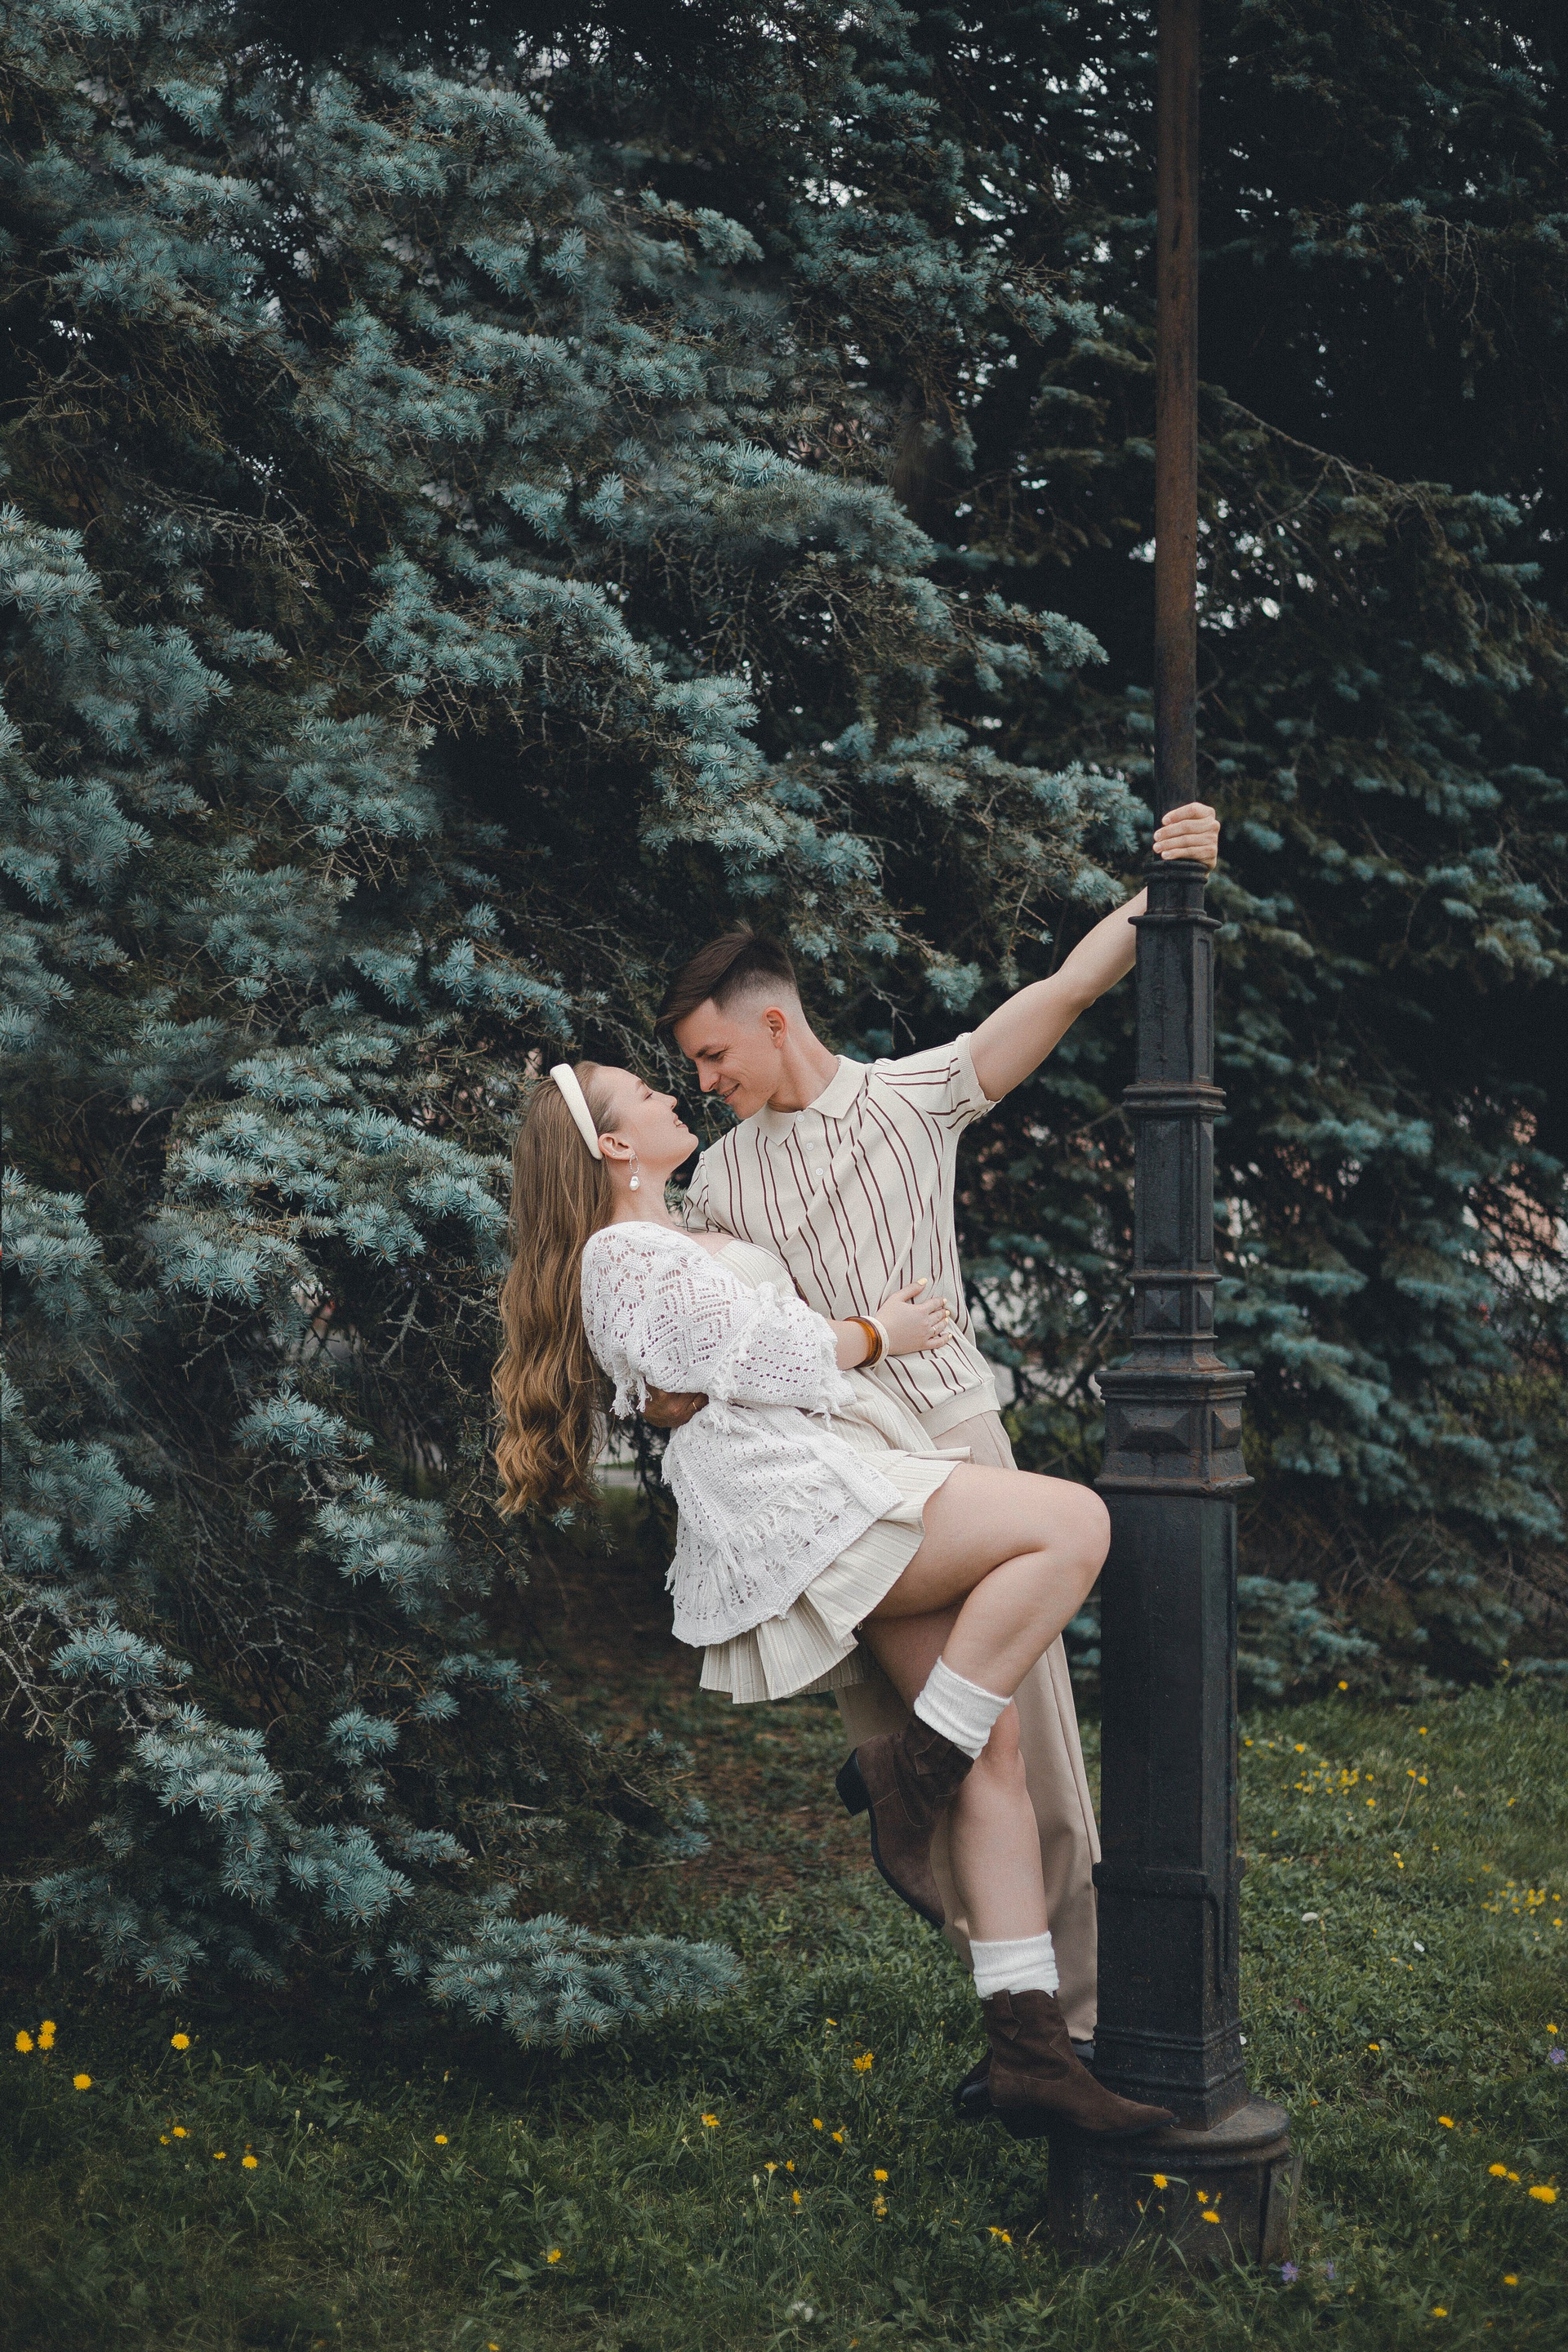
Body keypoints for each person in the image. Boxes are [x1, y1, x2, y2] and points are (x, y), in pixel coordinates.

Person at [648, 799, 1222, 2094]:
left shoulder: (915, 1097)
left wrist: (1162, 886)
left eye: (713, 1054)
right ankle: (1013, 2005)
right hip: (841, 1471)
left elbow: (1064, 990)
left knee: (1027, 1738)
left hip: (956, 1442)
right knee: (914, 1748)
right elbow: (704, 1332)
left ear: (773, 1019)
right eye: (692, 1067)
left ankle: (1076, 2019)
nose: (706, 1082)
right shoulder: (720, 1181)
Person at [494, 1058, 1175, 2140]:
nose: (673, 1094)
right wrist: (875, 1335)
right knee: (1072, 1524)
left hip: (836, 1476)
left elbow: (719, 1356)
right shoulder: (619, 1252)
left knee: (993, 1756)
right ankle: (909, 1772)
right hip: (800, 1498)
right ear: (613, 1145)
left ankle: (1030, 2051)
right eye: (647, 1096)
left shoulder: (678, 1231)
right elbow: (751, 1353)